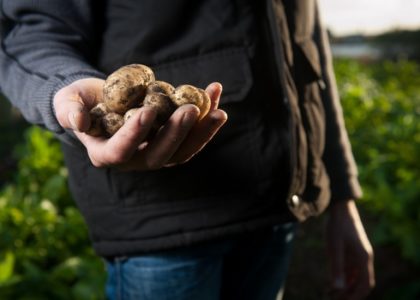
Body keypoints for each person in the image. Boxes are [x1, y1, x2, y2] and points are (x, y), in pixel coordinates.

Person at [0, 0, 375, 299]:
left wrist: (342, 195)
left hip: (276, 212)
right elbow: (29, 34)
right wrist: (66, 89)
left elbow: (307, 51)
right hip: (164, 226)